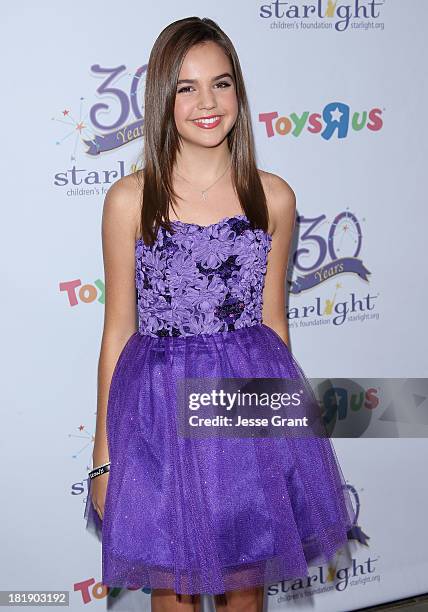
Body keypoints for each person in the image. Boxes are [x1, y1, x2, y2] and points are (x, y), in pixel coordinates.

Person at [84, 16, 356, 612]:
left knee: (244, 592)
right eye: (186, 87)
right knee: (173, 593)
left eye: (222, 83)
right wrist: (104, 457)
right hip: (157, 417)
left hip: (244, 413)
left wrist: (284, 441)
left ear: (239, 93)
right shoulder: (130, 200)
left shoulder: (273, 196)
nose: (207, 102)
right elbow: (117, 331)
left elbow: (275, 328)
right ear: (163, 98)